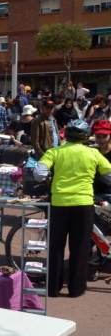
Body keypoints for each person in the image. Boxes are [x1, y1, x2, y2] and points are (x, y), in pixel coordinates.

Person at [35, 121, 111, 297]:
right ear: (85, 137)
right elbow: (109, 175)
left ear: (66, 136)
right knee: (80, 248)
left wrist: (48, 178)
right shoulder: (93, 153)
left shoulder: (54, 152)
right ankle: (76, 289)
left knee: (55, 248)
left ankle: (53, 288)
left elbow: (39, 173)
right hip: (83, 204)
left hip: (59, 205)